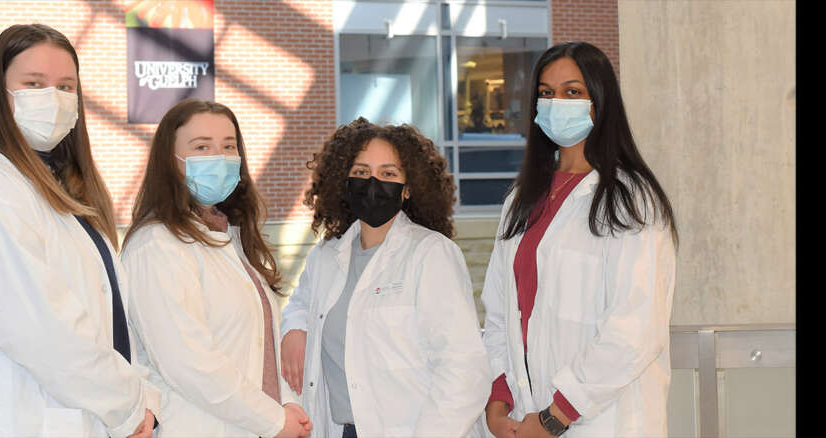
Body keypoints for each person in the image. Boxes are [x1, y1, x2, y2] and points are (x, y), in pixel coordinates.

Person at [0, 24, 160, 438]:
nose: (54, 98)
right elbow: (43, 329)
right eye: (34, 83)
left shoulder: (57, 184)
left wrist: (138, 397)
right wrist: (129, 405)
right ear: (0, 91)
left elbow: (106, 318)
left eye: (66, 86)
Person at [480, 41, 678, 438]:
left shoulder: (631, 199)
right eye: (547, 94)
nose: (557, 103)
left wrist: (558, 415)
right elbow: (500, 314)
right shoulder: (521, 199)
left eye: (573, 92)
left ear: (600, 101)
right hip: (526, 417)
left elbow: (635, 328)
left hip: (600, 421)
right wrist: (498, 398)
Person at [279, 118, 493, 438]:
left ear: (407, 190)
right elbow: (301, 304)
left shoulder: (431, 254)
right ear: (344, 181)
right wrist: (295, 328)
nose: (373, 183)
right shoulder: (326, 256)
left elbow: (464, 371)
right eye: (361, 172)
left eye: (388, 173)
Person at [120, 99, 312, 438]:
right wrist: (273, 420)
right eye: (202, 147)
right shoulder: (156, 245)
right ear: (171, 160)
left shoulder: (231, 237)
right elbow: (188, 363)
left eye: (228, 146)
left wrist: (289, 402)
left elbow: (260, 345)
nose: (219, 158)